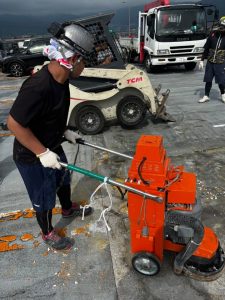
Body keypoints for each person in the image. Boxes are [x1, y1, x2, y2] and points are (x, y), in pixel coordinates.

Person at [7, 22, 97, 250]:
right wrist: (42, 153)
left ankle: (68, 208)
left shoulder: (63, 79)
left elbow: (50, 114)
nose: (84, 67)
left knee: (63, 179)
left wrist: (64, 132)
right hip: (31, 154)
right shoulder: (38, 86)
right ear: (73, 59)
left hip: (51, 143)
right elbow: (14, 124)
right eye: (84, 61)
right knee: (44, 195)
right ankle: (47, 233)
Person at [198, 16, 225, 103]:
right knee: (208, 79)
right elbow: (206, 48)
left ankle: (223, 95)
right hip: (210, 61)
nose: (222, 29)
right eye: (221, 26)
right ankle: (206, 96)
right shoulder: (213, 34)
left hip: (221, 62)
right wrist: (201, 60)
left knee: (221, 80)